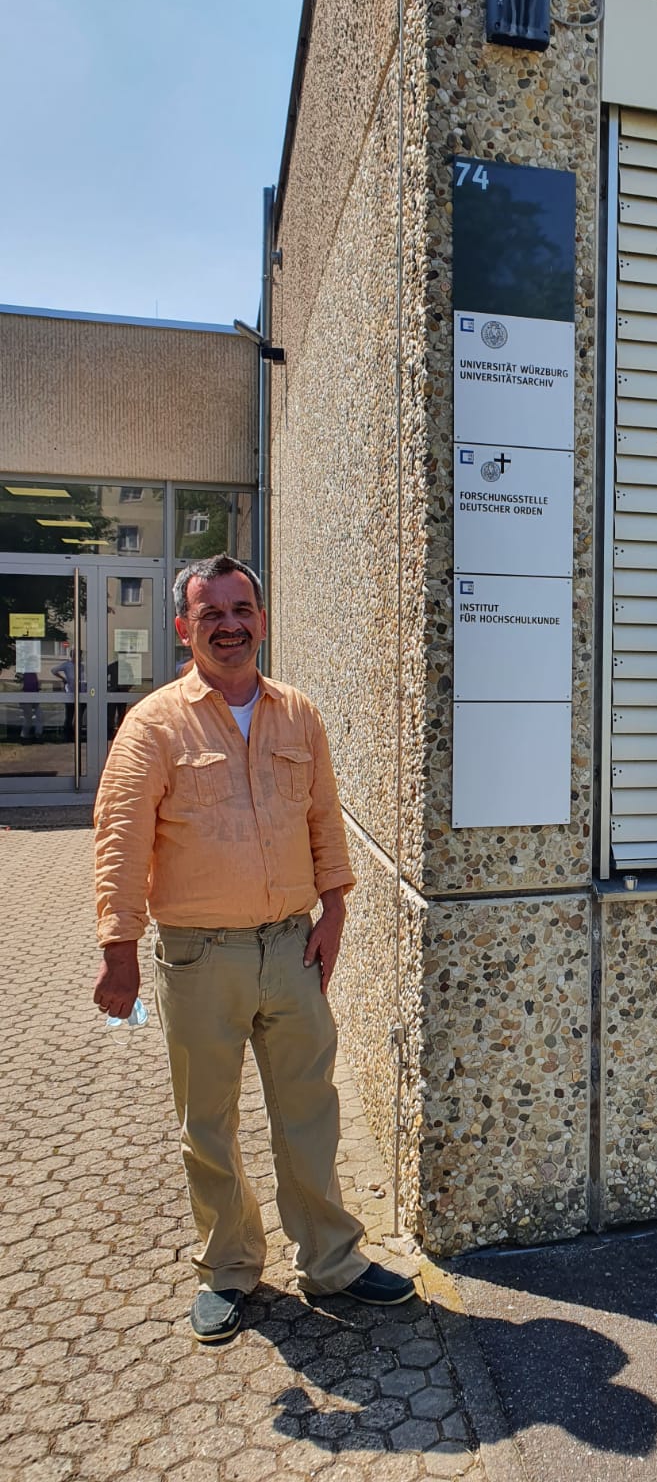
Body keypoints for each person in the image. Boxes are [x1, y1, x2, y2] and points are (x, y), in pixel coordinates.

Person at [93, 553, 416, 1344]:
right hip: (200, 957)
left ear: (262, 620)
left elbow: (324, 820)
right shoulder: (156, 724)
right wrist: (118, 945)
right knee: (207, 1122)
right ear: (185, 628)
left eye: (242, 611)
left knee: (310, 1110)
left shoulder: (296, 712)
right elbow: (122, 838)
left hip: (290, 947)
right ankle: (230, 1269)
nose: (230, 626)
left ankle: (332, 1261)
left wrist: (335, 909)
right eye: (213, 615)